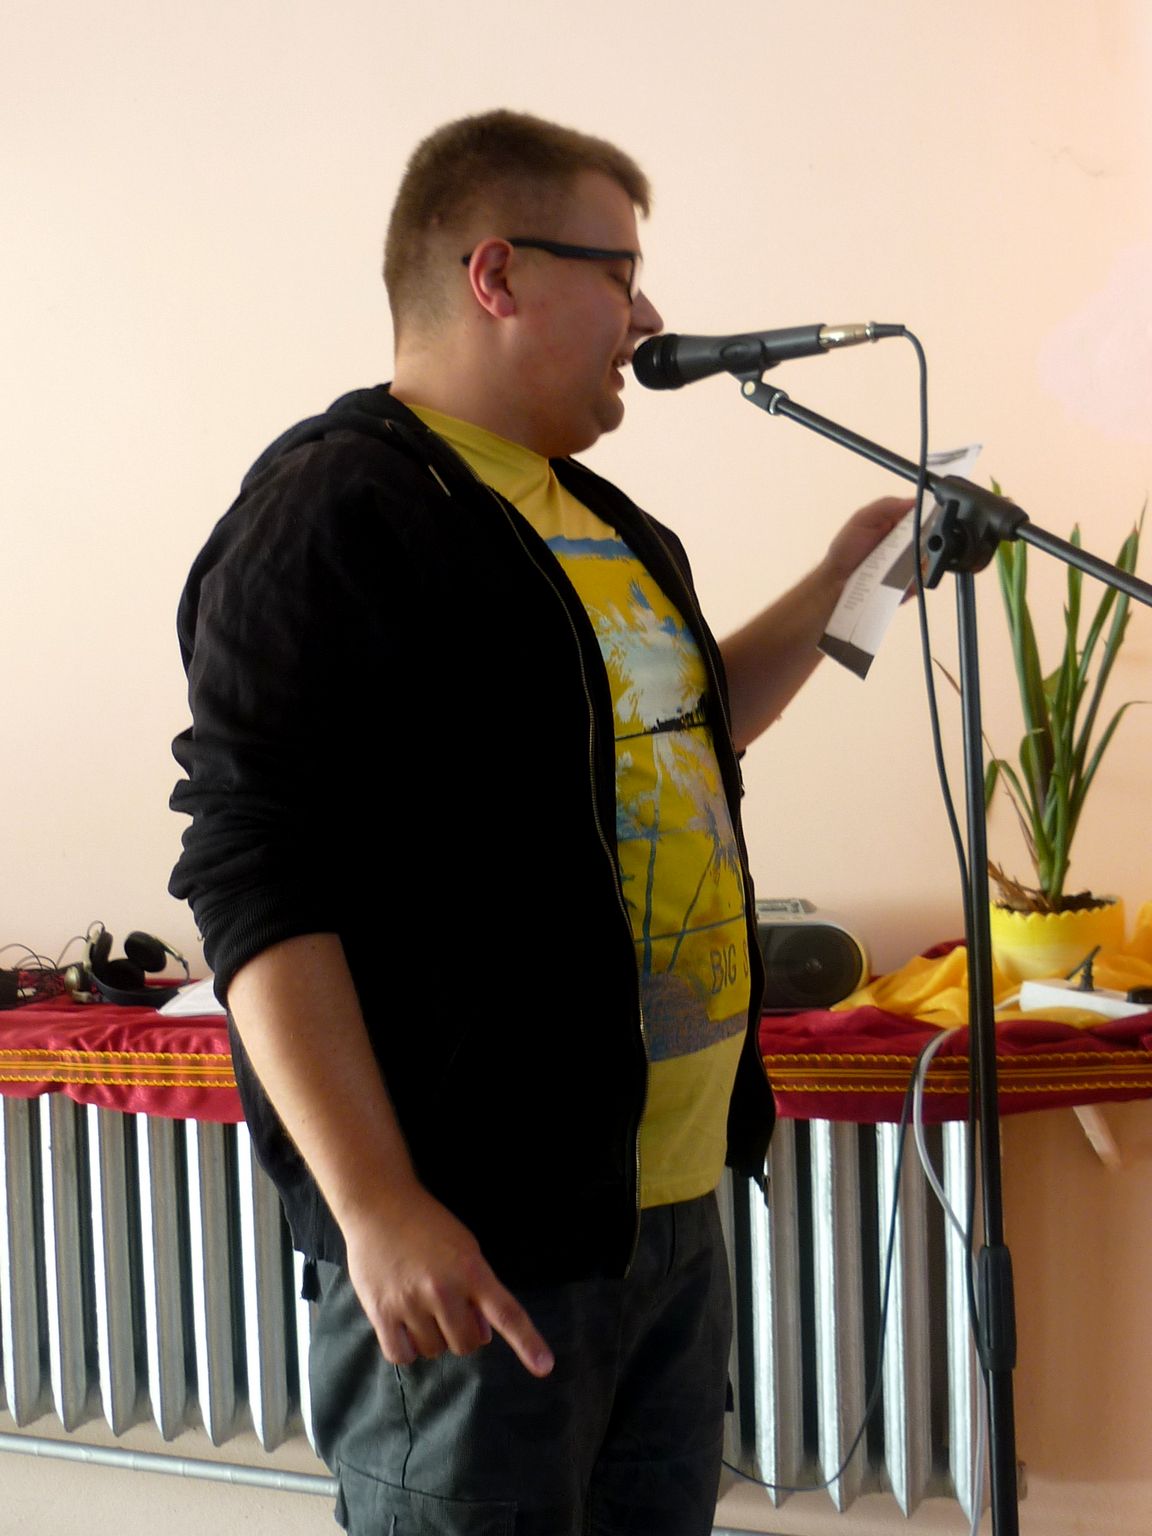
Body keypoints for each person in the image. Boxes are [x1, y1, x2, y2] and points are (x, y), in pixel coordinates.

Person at [170, 109, 908, 1536]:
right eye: (620, 273)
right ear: (497, 274)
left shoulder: (612, 526)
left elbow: (681, 738)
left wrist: (840, 583)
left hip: (663, 1207)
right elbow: (253, 868)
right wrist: (378, 1207)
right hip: (479, 1234)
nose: (650, 317)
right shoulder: (336, 510)